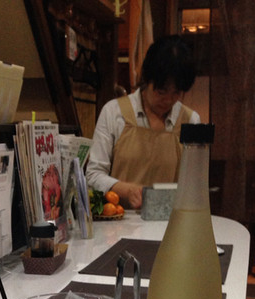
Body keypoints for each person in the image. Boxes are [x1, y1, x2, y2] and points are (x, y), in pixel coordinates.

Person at [86, 35, 201, 210]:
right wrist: (129, 190)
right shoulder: (114, 112)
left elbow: (193, 184)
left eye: (176, 93)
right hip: (118, 218)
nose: (168, 100)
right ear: (147, 79)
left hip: (169, 220)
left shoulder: (190, 121)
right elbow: (93, 175)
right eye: (161, 91)